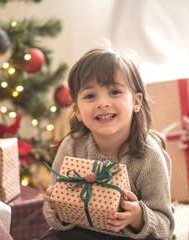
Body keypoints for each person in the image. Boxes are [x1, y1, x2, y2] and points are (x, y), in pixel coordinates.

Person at [41, 47, 175, 240]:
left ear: (136, 102)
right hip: (80, 231)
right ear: (77, 110)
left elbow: (165, 225)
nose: (102, 103)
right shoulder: (71, 146)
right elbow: (53, 215)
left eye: (114, 91)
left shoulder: (149, 156)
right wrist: (55, 207)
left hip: (129, 237)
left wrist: (137, 217)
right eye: (90, 96)